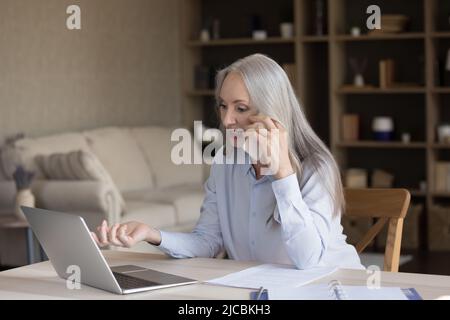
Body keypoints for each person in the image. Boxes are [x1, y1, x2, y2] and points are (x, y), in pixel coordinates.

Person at [92, 54, 364, 270]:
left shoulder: (317, 168)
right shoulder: (226, 165)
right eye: (223, 105)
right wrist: (152, 234)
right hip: (261, 294)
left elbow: (308, 259)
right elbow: (208, 241)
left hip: (330, 289)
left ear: (272, 111)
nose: (226, 120)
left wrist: (282, 172)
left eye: (240, 108)